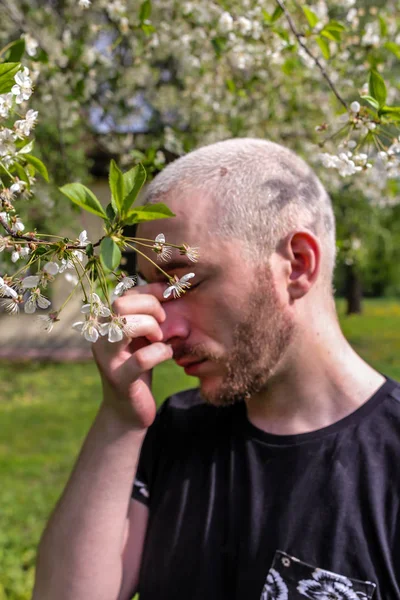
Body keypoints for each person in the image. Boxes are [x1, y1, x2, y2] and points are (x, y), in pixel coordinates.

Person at [33, 139, 400, 600]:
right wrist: (118, 420)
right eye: (153, 287)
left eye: (185, 282)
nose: (162, 329)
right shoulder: (174, 433)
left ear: (298, 265)